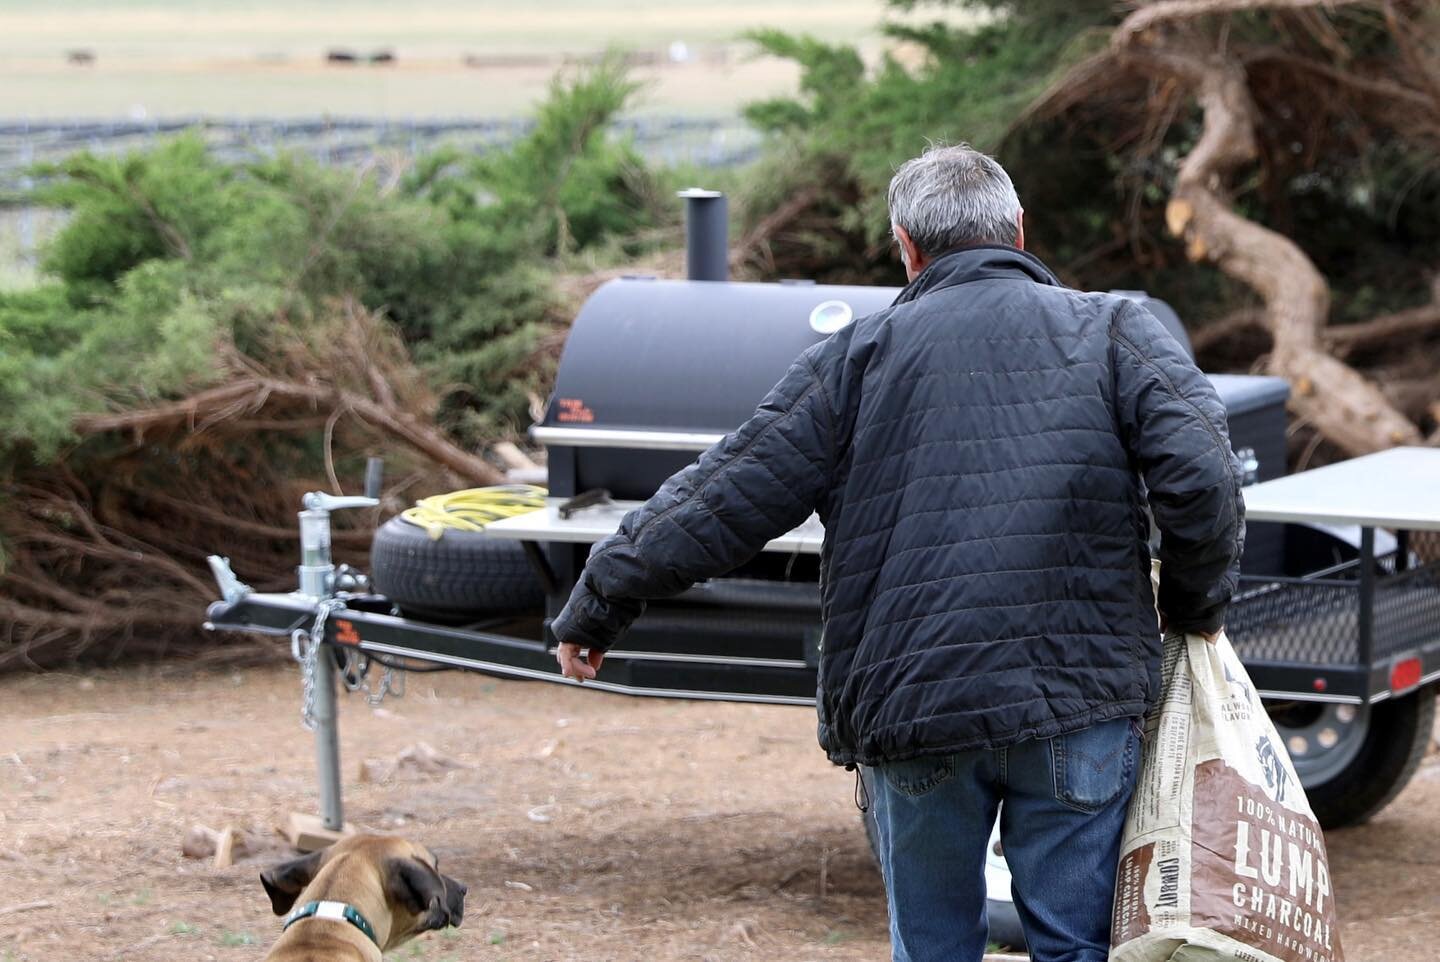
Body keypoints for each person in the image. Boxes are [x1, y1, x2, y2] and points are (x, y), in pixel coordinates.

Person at [550, 143, 1244, 962]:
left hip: (914, 708)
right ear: (1019, 230)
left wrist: (601, 596)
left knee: (933, 949)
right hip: (1078, 698)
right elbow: (1203, 476)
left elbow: (721, 498)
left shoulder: (853, 360)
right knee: (1079, 948)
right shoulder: (1117, 331)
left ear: (906, 247)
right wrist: (1194, 606)